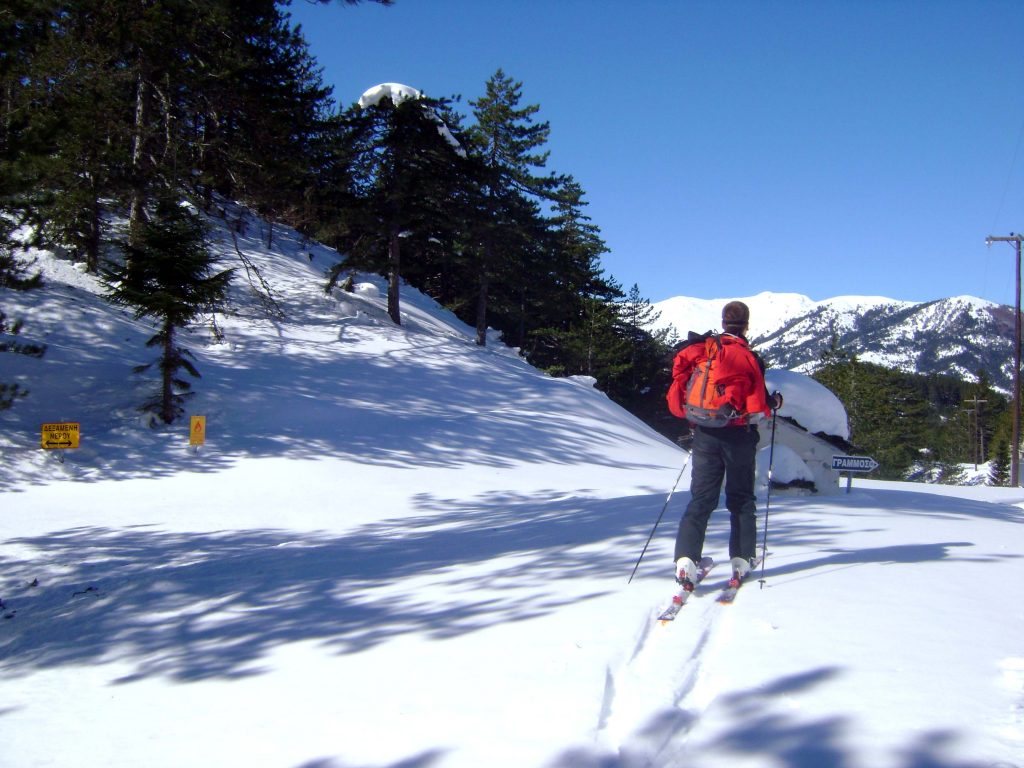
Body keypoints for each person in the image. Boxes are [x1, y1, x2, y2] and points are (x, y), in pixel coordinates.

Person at [670, 300, 783, 589]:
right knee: (741, 498)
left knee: (701, 499)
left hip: (705, 433)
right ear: (746, 324)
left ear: (723, 323)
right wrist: (775, 403)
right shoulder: (748, 357)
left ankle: (686, 560)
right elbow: (756, 404)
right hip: (738, 436)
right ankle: (741, 559)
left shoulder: (703, 351)